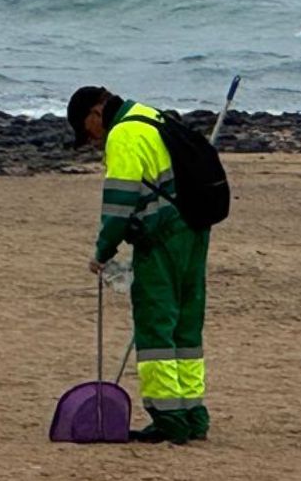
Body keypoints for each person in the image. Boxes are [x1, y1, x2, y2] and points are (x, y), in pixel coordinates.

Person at [68, 84, 211, 444]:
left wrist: (102, 252)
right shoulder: (149, 114)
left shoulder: (124, 135)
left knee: (156, 323)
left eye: (88, 133)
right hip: (195, 228)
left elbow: (119, 204)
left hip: (162, 236)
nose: (94, 142)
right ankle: (193, 414)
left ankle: (169, 419)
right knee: (186, 324)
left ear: (95, 114)